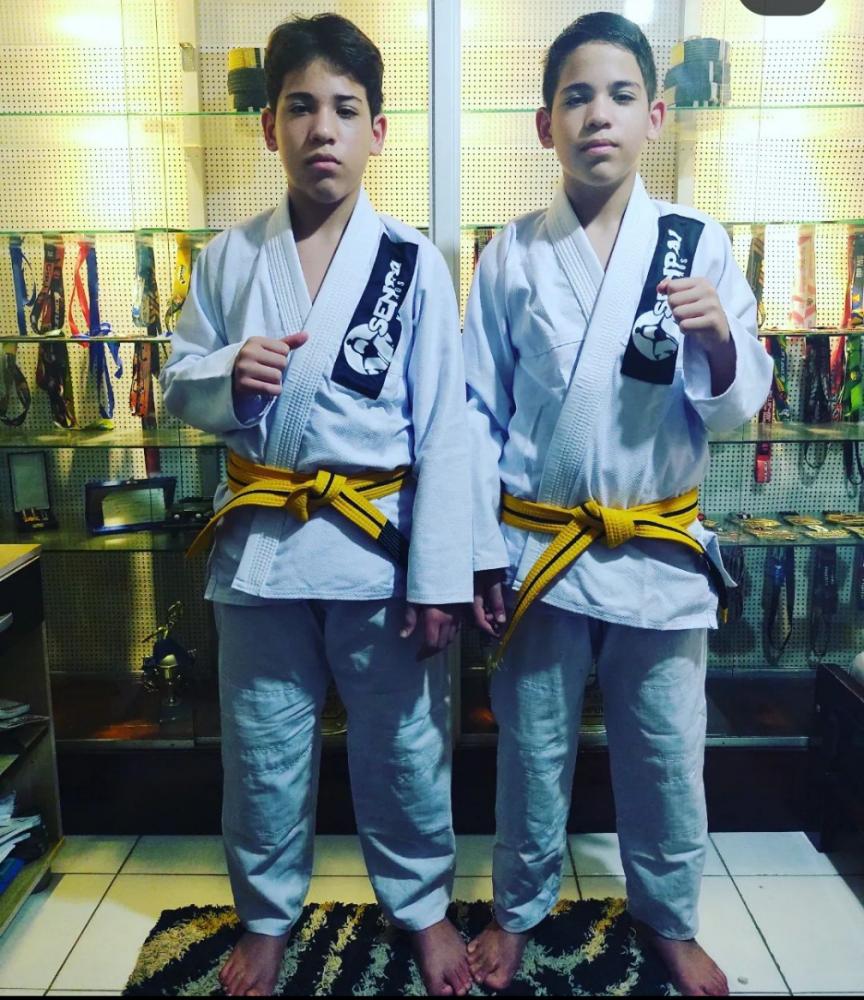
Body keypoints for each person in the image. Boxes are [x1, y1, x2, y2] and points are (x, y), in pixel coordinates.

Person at [160, 13, 473, 997]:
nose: (321, 129)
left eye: (344, 108)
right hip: (262, 549)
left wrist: (441, 576)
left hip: (378, 550)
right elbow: (175, 382)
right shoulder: (226, 258)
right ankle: (265, 919)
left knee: (406, 746)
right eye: (300, 107)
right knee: (262, 748)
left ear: (378, 131)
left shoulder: (412, 262)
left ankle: (422, 907)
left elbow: (447, 430)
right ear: (270, 127)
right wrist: (225, 376)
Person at [462, 12, 773, 997]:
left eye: (621, 95)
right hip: (544, 549)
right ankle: (517, 910)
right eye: (577, 96)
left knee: (668, 750)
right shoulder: (511, 254)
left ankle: (669, 918)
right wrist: (478, 549)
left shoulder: (697, 244)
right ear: (544, 124)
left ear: (656, 116)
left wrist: (720, 342)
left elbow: (735, 401)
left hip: (658, 546)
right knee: (532, 747)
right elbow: (475, 412)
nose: (599, 114)